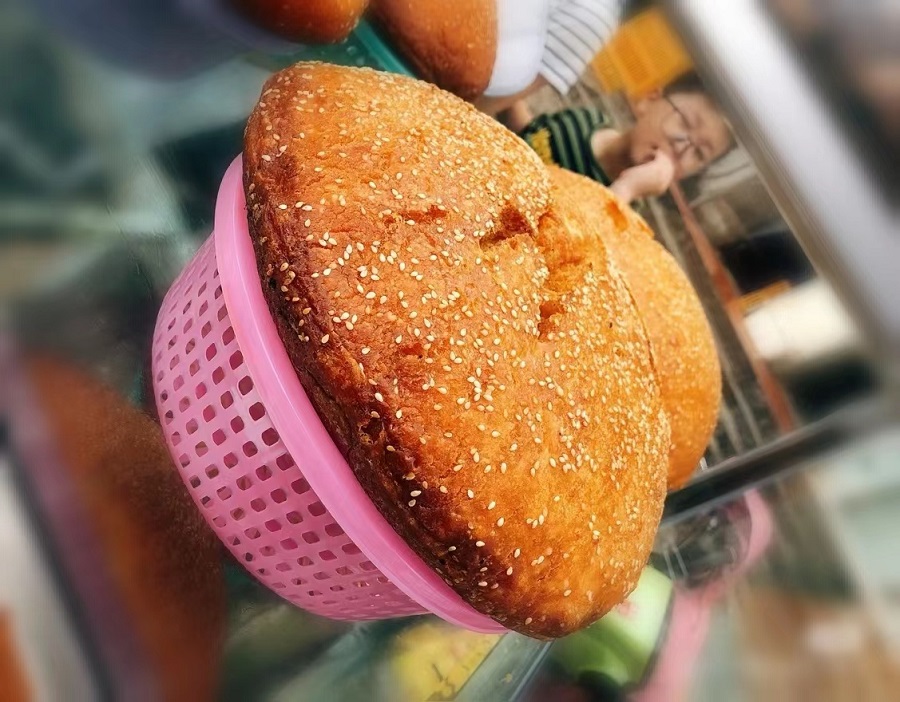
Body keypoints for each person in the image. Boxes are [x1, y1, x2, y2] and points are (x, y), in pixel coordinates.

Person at [507, 75, 735, 203]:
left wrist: (627, 188)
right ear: (649, 100)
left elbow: (581, 242)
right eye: (685, 122)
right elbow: (529, 133)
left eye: (699, 153)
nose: (681, 148)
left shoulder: (623, 204)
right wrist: (509, 94)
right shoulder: (589, 118)